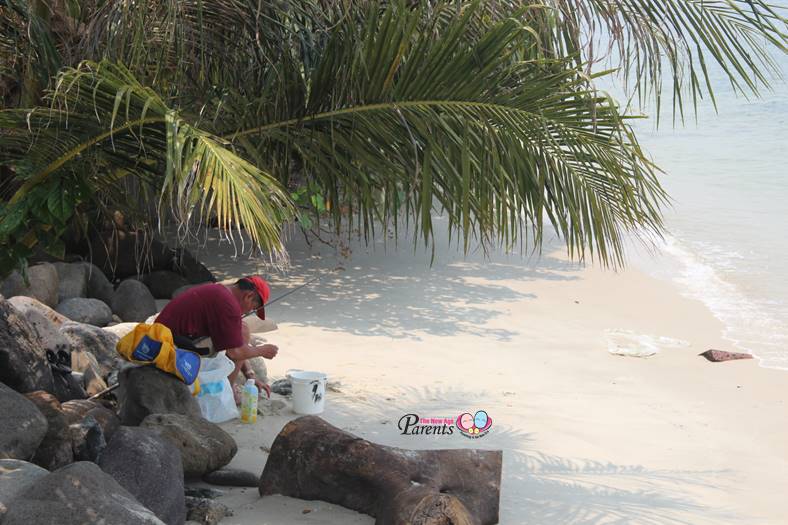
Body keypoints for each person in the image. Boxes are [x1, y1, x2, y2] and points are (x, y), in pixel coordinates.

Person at [155, 275, 278, 399]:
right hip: (170, 344)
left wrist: (250, 376)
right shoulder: (228, 304)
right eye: (253, 308)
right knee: (243, 330)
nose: (247, 312)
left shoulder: (221, 293)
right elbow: (235, 351)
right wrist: (262, 351)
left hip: (165, 336)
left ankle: (229, 387)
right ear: (249, 296)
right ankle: (228, 393)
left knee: (240, 329)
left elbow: (235, 342)